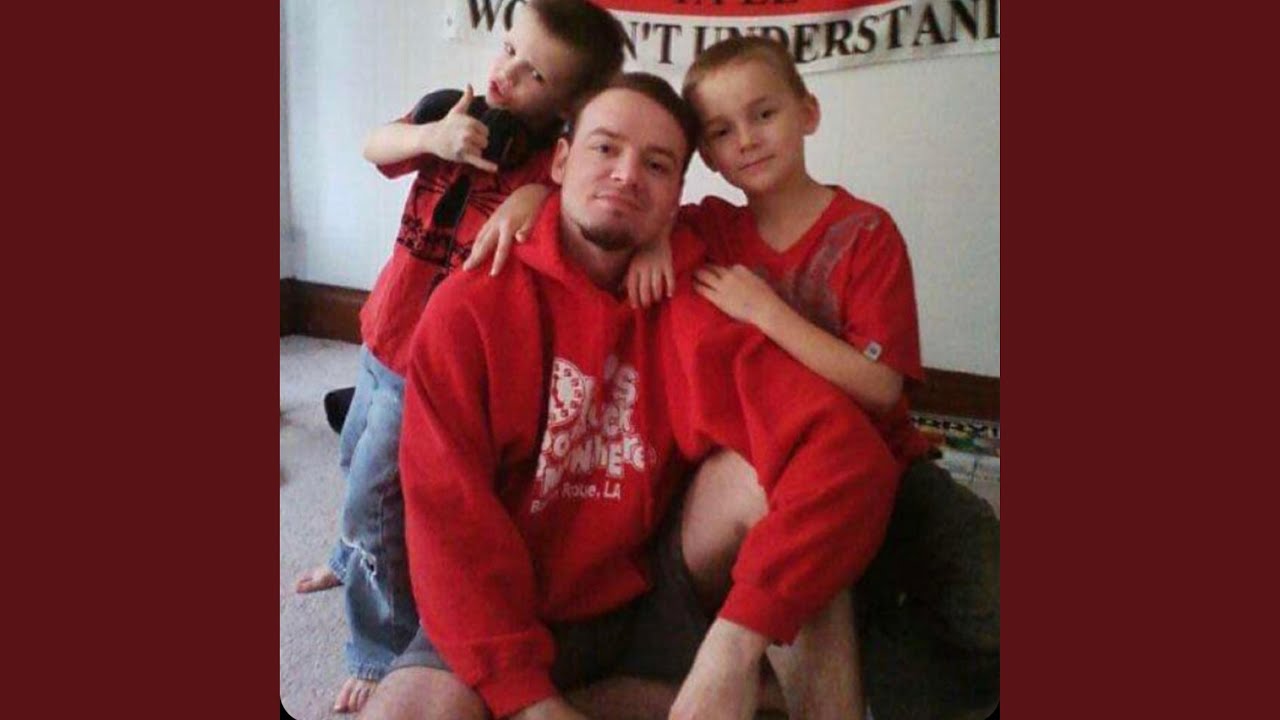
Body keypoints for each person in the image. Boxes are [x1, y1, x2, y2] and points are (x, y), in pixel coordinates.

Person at [475, 35, 1000, 720]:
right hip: (763, 463)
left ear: (808, 112)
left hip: (889, 465)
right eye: (721, 131)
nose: (746, 140)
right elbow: (621, 206)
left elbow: (881, 390)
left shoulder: (867, 233)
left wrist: (765, 312)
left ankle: (867, 682)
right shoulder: (709, 229)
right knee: (808, 579)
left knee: (990, 599)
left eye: (764, 114)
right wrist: (534, 201)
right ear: (708, 158)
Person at [362, 73, 900, 720]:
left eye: (657, 164)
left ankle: (726, 688)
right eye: (604, 148)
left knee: (787, 497)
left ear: (676, 198)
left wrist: (735, 643)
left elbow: (847, 455)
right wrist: (528, 701)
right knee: (404, 712)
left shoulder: (691, 300)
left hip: (650, 596)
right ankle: (638, 701)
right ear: (560, 162)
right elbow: (448, 526)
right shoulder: (469, 307)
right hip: (505, 609)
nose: (625, 174)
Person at [291, 1, 627, 713]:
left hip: (431, 372)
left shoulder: (548, 172)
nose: (507, 73)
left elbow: (579, 213)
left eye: (535, 75)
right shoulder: (454, 111)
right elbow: (375, 145)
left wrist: (535, 197)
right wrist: (431, 136)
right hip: (383, 334)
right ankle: (352, 553)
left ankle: (381, 646)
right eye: (508, 49)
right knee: (354, 461)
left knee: (380, 496)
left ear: (568, 111)